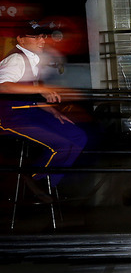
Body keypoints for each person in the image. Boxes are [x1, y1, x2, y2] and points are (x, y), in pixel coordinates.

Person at [0, 21, 87, 193]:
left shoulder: (32, 59)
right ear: (21, 39)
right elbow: (3, 86)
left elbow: (29, 95)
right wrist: (42, 88)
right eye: (36, 36)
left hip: (29, 112)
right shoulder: (16, 58)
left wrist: (52, 111)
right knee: (61, 144)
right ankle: (35, 181)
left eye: (42, 36)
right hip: (11, 117)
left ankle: (48, 183)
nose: (42, 40)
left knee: (78, 137)